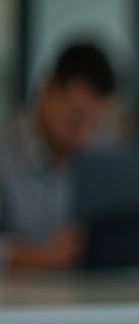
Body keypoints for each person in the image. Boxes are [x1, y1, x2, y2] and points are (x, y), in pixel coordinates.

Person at [0, 41, 115, 270]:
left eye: (94, 123)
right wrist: (29, 256)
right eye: (76, 116)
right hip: (17, 300)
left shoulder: (105, 153)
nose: (84, 135)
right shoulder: (5, 149)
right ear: (48, 88)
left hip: (95, 297)